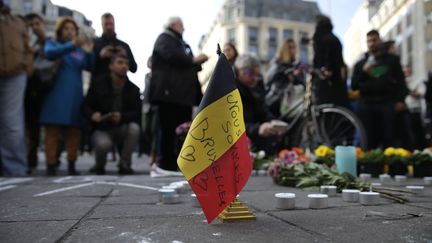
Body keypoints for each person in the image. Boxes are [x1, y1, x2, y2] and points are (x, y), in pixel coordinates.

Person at [149, 16, 208, 174]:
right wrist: (193, 59)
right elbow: (172, 56)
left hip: (182, 96)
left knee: (181, 131)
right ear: (174, 25)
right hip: (170, 95)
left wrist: (195, 63)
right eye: (181, 25)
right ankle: (165, 164)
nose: (183, 28)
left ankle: (177, 163)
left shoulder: (181, 43)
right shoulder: (165, 38)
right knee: (168, 130)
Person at [39, 17, 94, 176]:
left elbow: (89, 67)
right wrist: (71, 45)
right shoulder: (54, 43)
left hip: (75, 95)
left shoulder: (80, 51)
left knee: (73, 132)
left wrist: (90, 54)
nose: (70, 31)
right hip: (55, 94)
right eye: (66, 28)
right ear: (60, 31)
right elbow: (49, 53)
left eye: (72, 29)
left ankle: (71, 163)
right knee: (52, 131)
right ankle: (50, 165)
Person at [84, 54, 141, 175]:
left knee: (134, 129)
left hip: (122, 127)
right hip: (102, 128)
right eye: (120, 63)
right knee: (103, 144)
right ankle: (99, 165)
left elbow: (137, 113)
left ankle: (124, 163)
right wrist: (93, 115)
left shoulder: (133, 89)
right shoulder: (97, 84)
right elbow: (85, 107)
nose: (124, 66)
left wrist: (122, 117)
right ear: (111, 66)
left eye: (126, 64)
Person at [352, 30, 408, 149]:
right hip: (367, 107)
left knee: (390, 143)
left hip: (387, 105)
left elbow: (401, 82)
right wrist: (364, 72)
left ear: (380, 40)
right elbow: (354, 85)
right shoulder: (360, 64)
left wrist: (400, 100)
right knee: (368, 143)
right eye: (369, 41)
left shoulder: (392, 60)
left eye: (374, 40)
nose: (372, 43)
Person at [0, 1, 33, 176]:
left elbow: (27, 48)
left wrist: (26, 66)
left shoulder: (16, 22)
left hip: (15, 75)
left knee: (12, 123)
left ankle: (15, 169)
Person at [235, 54, 287, 153]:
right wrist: (257, 129)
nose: (254, 78)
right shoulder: (230, 91)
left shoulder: (256, 89)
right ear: (238, 71)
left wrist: (274, 122)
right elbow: (232, 126)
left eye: (257, 75)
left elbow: (263, 112)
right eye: (250, 74)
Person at [24, 13, 47, 174]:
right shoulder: (22, 41)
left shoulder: (46, 44)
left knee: (34, 126)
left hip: (38, 89)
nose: (34, 27)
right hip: (21, 86)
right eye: (31, 24)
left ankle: (31, 160)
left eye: (37, 23)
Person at [312, 15, 349, 108]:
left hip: (325, 82)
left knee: (325, 112)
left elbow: (323, 58)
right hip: (337, 83)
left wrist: (325, 69)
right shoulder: (335, 38)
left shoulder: (319, 37)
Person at [265, 39, 306, 117]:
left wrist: (296, 75)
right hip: (277, 101)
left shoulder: (296, 64)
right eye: (290, 48)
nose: (293, 50)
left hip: (293, 100)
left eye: (294, 47)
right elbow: (270, 80)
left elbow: (302, 83)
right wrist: (288, 74)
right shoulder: (277, 64)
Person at [93, 13, 137, 79]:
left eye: (111, 24)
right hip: (99, 85)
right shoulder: (94, 43)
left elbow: (134, 68)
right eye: (106, 24)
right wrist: (100, 56)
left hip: (121, 86)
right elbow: (88, 66)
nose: (109, 27)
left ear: (114, 24)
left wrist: (125, 56)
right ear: (102, 25)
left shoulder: (124, 45)